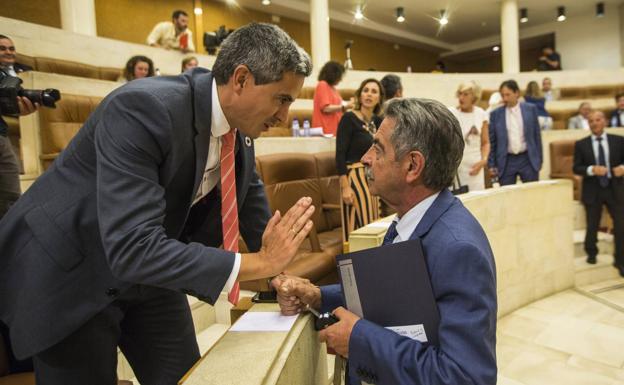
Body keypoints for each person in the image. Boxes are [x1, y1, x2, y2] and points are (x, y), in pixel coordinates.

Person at [0, 22, 314, 385]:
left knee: (185, 376)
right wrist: (258, 262)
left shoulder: (241, 129)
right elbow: (132, 245)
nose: (284, 117)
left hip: (148, 271)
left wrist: (280, 277)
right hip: (70, 272)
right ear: (241, 79)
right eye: (282, 99)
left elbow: (254, 215)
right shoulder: (144, 107)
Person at [273, 98, 497, 385]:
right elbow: (393, 300)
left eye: (377, 148)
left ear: (412, 165)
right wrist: (319, 296)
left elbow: (464, 377)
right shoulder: (413, 219)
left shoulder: (458, 250)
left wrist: (359, 340)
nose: (365, 157)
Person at [573, 110, 624, 274]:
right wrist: (591, 169)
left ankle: (620, 260)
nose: (594, 123)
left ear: (605, 121)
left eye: (598, 120)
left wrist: (622, 168)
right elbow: (576, 167)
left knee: (621, 225)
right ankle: (591, 252)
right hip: (593, 189)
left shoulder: (619, 141)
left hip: (615, 189)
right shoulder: (581, 144)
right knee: (592, 224)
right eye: (591, 121)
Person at [336, 78, 384, 242]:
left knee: (374, 224)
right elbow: (340, 154)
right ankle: (355, 266)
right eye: (366, 90)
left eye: (374, 91)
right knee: (358, 227)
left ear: (379, 98)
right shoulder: (349, 118)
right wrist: (345, 188)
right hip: (354, 177)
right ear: (360, 95)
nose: (369, 94)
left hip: (372, 175)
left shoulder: (378, 121)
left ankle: (374, 265)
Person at [0, 34, 37, 220]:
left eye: (11, 48)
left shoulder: (13, 74)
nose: (8, 52)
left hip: (1, 134)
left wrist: (20, 108)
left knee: (11, 195)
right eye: (2, 48)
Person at [489, 80, 542, 185]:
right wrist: (491, 165)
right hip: (506, 160)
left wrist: (539, 160)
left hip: (528, 159)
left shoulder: (531, 109)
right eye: (502, 95)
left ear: (516, 93)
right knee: (507, 195)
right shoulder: (495, 114)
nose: (505, 98)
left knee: (531, 194)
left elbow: (537, 136)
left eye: (508, 95)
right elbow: (492, 141)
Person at [450, 81, 490, 191]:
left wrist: (483, 161)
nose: (461, 98)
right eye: (460, 94)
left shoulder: (481, 114)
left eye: (466, 94)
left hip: (476, 169)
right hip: (457, 170)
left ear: (474, 97)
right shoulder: (451, 113)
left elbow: (485, 142)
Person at [312, 61, 353, 136]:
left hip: (335, 129)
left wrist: (349, 105)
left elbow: (340, 108)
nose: (341, 79)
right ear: (333, 75)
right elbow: (325, 108)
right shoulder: (322, 85)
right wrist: (345, 106)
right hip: (325, 130)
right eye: (340, 76)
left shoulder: (334, 89)